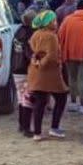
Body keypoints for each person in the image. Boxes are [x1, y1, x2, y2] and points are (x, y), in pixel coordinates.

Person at [27, 11, 69, 141]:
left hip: (36, 72)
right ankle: (54, 127)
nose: (56, 23)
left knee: (39, 102)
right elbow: (52, 56)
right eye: (54, 21)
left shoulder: (35, 34)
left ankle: (37, 132)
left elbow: (33, 52)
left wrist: (36, 63)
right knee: (61, 98)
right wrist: (43, 64)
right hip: (50, 74)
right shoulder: (51, 36)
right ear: (48, 23)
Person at [58, 0, 83, 113]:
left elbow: (60, 35)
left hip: (69, 53)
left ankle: (73, 103)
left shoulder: (68, 19)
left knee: (72, 79)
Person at [12, 10, 37, 137]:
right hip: (25, 69)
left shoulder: (18, 32)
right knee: (27, 98)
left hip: (16, 68)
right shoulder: (29, 34)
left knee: (21, 98)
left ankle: (21, 124)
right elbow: (29, 53)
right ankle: (27, 127)